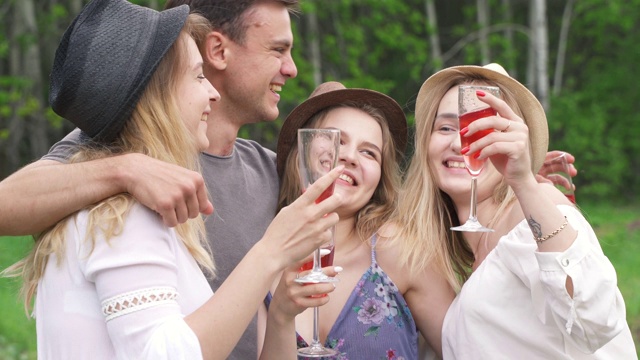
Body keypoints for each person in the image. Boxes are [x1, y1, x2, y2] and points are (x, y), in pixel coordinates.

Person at [1, 0, 343, 358]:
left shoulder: (270, 169)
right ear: (217, 51)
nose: (292, 69)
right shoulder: (113, 168)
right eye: (278, 50)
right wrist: (126, 170)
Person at [393, 63, 637, 358]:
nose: (461, 143)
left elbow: (596, 322)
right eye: (445, 127)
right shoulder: (468, 253)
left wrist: (524, 184)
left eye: (485, 129)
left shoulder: (529, 211)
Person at [257, 81, 456, 359]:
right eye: (336, 138)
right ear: (301, 152)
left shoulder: (400, 250)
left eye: (369, 152)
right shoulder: (263, 260)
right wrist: (280, 316)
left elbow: (468, 348)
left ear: (379, 177)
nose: (350, 156)